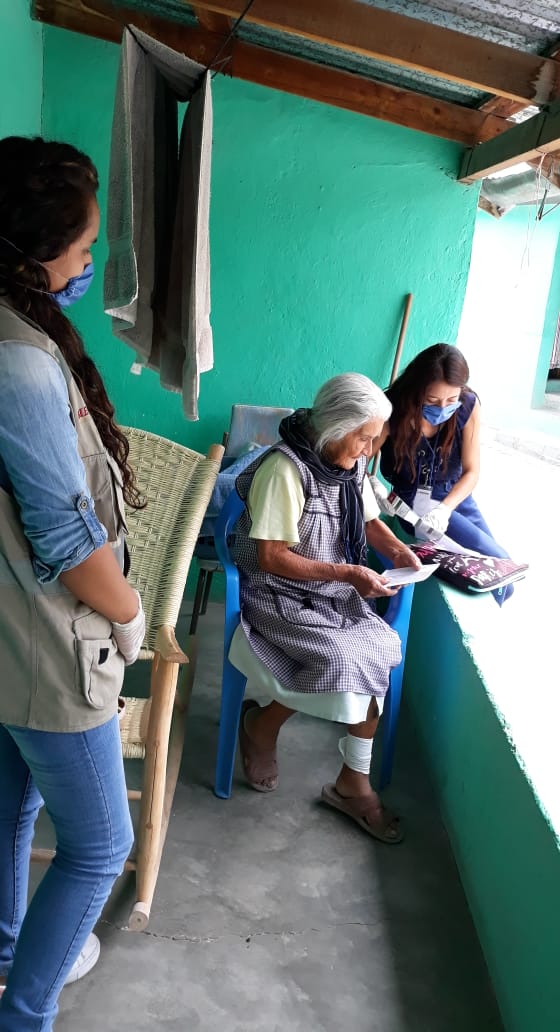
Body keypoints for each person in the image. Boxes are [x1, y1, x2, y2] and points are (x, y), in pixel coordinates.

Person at [0, 136, 146, 1030]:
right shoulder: (18, 358)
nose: (89, 263)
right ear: (38, 247)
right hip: (50, 644)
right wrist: (129, 615)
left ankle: (9, 953)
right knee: (98, 848)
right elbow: (63, 536)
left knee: (11, 808)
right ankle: (26, 1015)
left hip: (9, 638)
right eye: (85, 247)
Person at [229, 373, 421, 843]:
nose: (370, 449)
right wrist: (348, 573)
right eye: (364, 437)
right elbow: (272, 557)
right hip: (278, 593)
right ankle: (261, 726)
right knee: (341, 659)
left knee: (381, 647)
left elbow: (370, 523)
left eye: (374, 438)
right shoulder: (284, 470)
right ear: (336, 428)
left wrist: (399, 552)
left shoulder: (349, 465)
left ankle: (351, 779)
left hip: (330, 594)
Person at [378, 342, 514, 605]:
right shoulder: (393, 406)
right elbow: (361, 456)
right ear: (417, 389)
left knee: (504, 573)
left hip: (455, 499)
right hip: (411, 505)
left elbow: (472, 472)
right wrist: (371, 486)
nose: (442, 408)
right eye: (432, 401)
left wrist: (444, 510)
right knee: (491, 568)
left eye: (451, 400)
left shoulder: (468, 405)